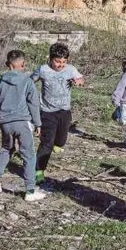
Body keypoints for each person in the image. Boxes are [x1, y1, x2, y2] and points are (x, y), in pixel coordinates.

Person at [0, 50, 46, 201]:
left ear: (8, 65)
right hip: (23, 123)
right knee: (28, 155)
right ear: (23, 64)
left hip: (5, 123)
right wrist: (38, 123)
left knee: (6, 149)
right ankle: (30, 191)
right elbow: (33, 105)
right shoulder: (28, 82)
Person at [31, 42, 84, 185]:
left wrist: (79, 81)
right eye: (57, 61)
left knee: (61, 141)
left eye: (64, 62)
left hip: (65, 111)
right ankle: (39, 170)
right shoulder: (43, 70)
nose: (60, 65)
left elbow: (80, 79)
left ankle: (57, 144)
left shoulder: (70, 69)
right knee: (46, 143)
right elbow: (30, 81)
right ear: (50, 58)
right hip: (47, 112)